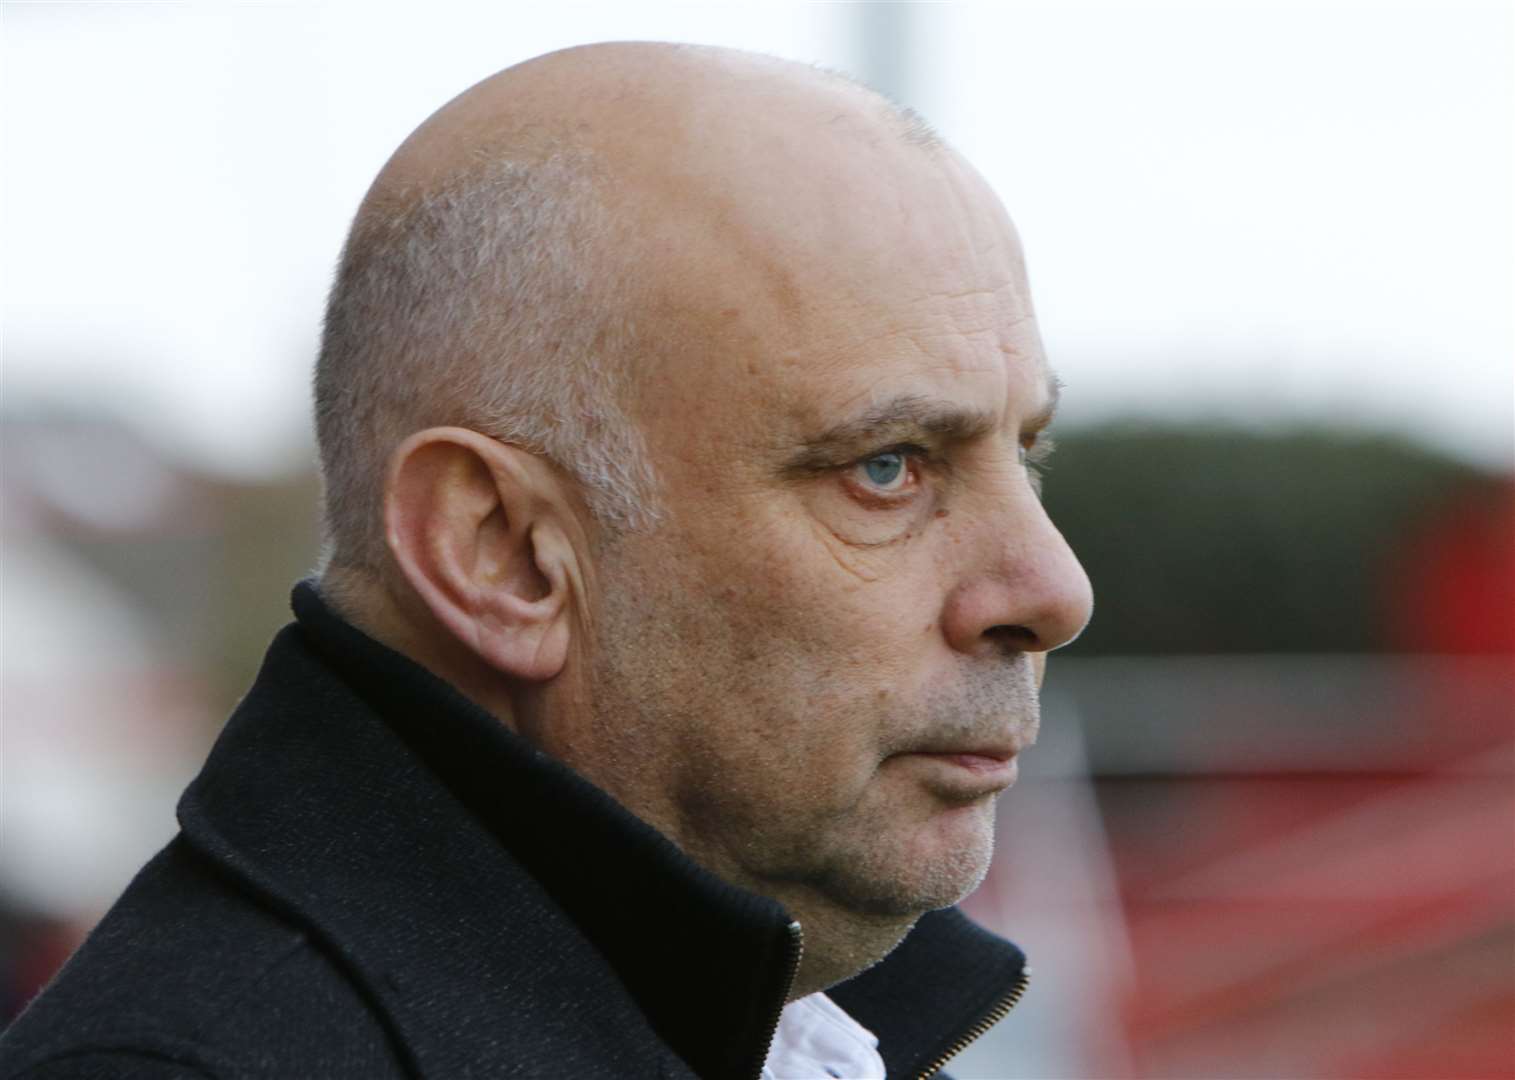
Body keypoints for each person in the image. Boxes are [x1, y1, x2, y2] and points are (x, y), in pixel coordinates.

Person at [1, 42, 1092, 1080]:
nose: (1053, 590)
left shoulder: (799, 1016)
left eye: (1025, 454)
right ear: (504, 554)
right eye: (889, 469)